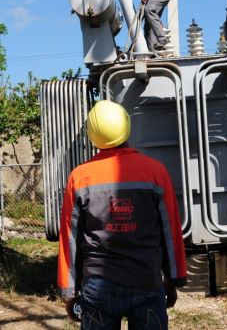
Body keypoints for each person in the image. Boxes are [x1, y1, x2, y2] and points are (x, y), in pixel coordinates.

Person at [57, 100, 187, 329]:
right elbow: (170, 231)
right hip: (146, 281)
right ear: (127, 127)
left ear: (92, 135)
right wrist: (174, 278)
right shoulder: (155, 171)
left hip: (98, 287)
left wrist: (69, 291)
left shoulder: (80, 177)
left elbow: (70, 239)